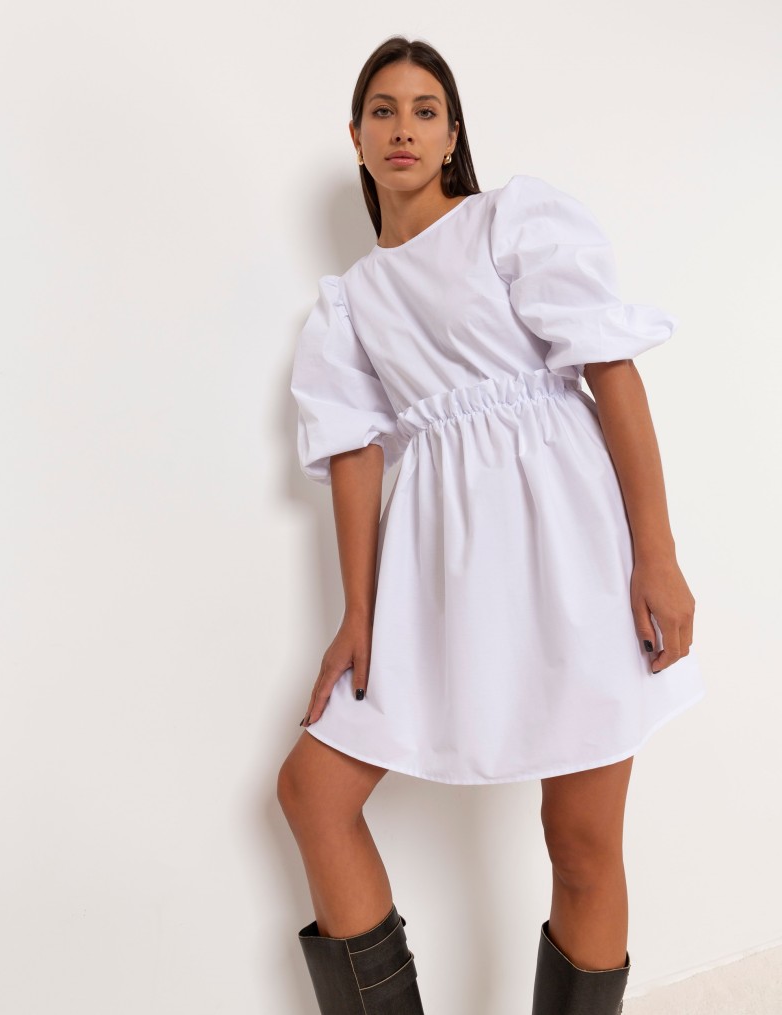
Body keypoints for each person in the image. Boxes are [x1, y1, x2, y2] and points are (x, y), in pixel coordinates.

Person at [277, 34, 705, 1015]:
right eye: (382, 110)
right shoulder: (350, 303)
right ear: (355, 136)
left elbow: (609, 370)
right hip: (445, 571)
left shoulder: (510, 221)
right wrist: (358, 613)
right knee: (312, 791)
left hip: (570, 549)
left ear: (451, 134)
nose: (403, 127)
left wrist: (657, 555)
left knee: (581, 841)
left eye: (424, 110)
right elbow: (355, 455)